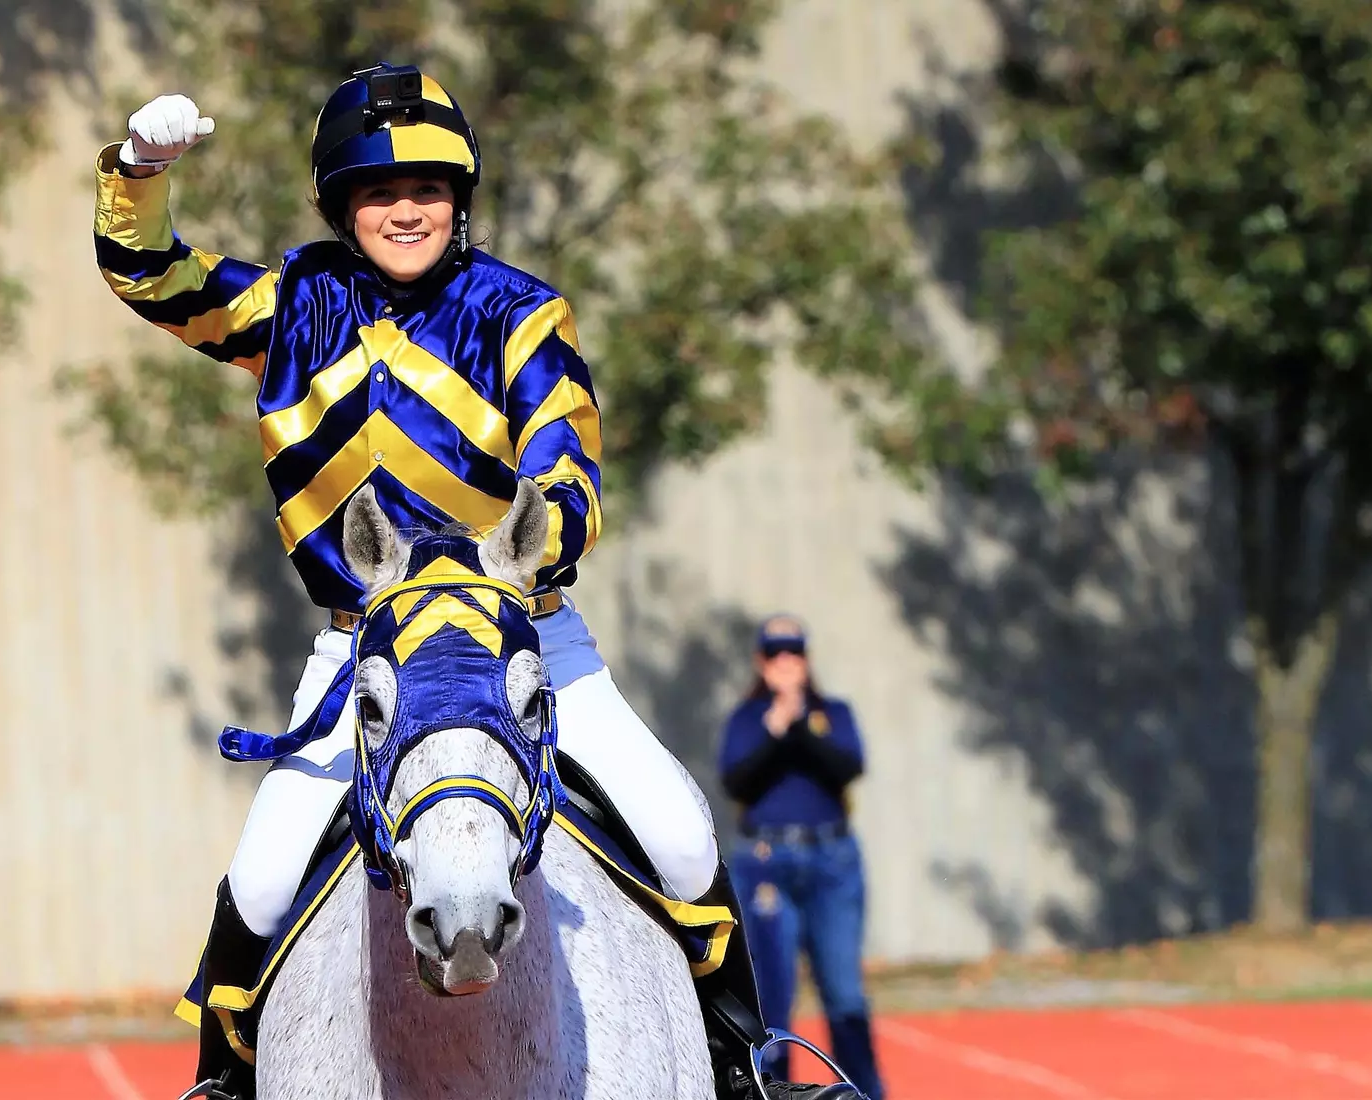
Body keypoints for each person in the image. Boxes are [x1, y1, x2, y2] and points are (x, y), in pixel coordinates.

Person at [92, 65, 794, 1100]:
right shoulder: (292, 303)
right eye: (376, 191)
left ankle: (748, 1075)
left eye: (426, 188)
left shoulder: (519, 311)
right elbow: (151, 275)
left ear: (460, 201)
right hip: (364, 650)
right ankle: (222, 1084)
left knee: (682, 835)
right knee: (261, 875)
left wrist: (532, 537)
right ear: (340, 206)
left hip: (522, 636)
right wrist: (138, 174)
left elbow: (567, 466)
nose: (403, 208)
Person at [717, 614, 888, 1099]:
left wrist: (801, 725)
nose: (785, 663)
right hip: (770, 863)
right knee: (771, 999)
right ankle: (776, 1092)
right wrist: (776, 727)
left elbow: (848, 765)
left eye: (793, 653)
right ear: (761, 663)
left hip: (832, 862)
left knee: (845, 997)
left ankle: (865, 1091)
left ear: (806, 660)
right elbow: (736, 778)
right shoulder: (750, 719)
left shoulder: (831, 712)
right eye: (775, 654)